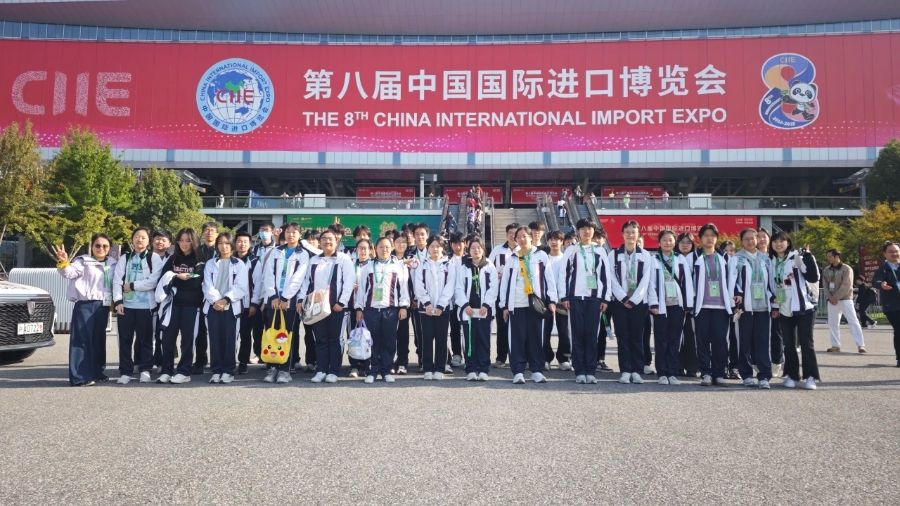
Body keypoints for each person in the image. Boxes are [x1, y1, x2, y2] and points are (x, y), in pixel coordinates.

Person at [55, 234, 116, 386]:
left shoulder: (113, 263)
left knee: (98, 340)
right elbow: (69, 273)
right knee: (81, 340)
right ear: (92, 246)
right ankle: (79, 377)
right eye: (97, 245)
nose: (101, 248)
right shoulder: (82, 261)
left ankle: (97, 372)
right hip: (85, 305)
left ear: (109, 248)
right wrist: (63, 262)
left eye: (105, 246)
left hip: (103, 305)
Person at [499, 226, 558, 384]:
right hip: (517, 304)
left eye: (525, 236)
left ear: (531, 237)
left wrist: (552, 300)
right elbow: (505, 283)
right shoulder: (513, 258)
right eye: (518, 237)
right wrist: (504, 306)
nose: (522, 239)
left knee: (536, 338)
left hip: (536, 304)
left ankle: (536, 370)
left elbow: (549, 279)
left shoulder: (541, 256)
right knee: (517, 339)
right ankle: (518, 371)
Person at [558, 220, 611, 384]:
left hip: (594, 299)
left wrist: (605, 298)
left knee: (591, 335)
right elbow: (563, 274)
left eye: (589, 229)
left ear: (593, 231)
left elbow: (606, 276)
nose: (586, 232)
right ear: (578, 232)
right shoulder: (571, 250)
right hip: (575, 298)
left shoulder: (600, 251)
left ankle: (591, 370)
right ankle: (579, 370)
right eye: (583, 229)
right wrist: (564, 297)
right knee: (577, 334)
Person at [301, 229, 355, 383]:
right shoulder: (314, 260)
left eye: (331, 239)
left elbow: (349, 282)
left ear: (336, 241)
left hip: (336, 307)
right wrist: (302, 300)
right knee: (320, 339)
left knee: (335, 339)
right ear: (320, 242)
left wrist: (341, 302)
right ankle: (321, 370)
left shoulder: (343, 259)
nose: (327, 241)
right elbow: (306, 282)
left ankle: (333, 371)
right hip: (318, 308)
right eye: (324, 239)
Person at [111, 227, 164, 384]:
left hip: (146, 307)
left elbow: (153, 281)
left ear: (148, 241)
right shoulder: (125, 258)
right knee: (125, 341)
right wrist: (118, 301)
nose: (139, 240)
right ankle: (125, 372)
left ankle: (145, 369)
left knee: (146, 340)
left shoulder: (154, 258)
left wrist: (133, 286)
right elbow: (117, 281)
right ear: (132, 239)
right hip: (126, 306)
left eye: (143, 237)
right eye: (136, 237)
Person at [261, 222, 311, 384]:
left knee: (287, 335)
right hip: (273, 300)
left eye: (294, 232)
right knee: (272, 333)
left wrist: (285, 298)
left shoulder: (303, 254)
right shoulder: (276, 251)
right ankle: (272, 368)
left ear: (299, 235)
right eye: (288, 232)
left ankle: (285, 369)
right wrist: (273, 296)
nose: (290, 234)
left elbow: (299, 278)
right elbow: (268, 275)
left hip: (290, 301)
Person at [356, 236, 410, 383]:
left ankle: (386, 370)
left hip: (390, 309)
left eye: (387, 247)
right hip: (371, 309)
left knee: (389, 341)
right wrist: (359, 308)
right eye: (381, 247)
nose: (384, 249)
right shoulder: (368, 267)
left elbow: (403, 288)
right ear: (375, 249)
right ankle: (372, 371)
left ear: (391, 248)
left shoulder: (398, 266)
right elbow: (362, 289)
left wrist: (403, 307)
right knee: (372, 341)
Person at [770, 232, 820, 389]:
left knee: (806, 343)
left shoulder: (796, 256)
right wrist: (775, 307)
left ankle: (810, 377)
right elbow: (773, 286)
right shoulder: (771, 261)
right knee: (789, 344)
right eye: (775, 241)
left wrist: (808, 257)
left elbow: (813, 277)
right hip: (784, 308)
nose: (778, 244)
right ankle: (791, 375)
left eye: (782, 241)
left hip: (804, 307)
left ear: (788, 243)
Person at [608, 221, 653, 385]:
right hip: (619, 303)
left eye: (633, 232)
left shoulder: (645, 255)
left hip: (639, 303)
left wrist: (634, 300)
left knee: (637, 337)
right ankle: (625, 370)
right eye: (627, 232)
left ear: (638, 234)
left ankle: (637, 370)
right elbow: (611, 278)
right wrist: (623, 298)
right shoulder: (613, 254)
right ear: (622, 234)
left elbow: (646, 280)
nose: (630, 235)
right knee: (623, 337)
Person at [729, 228, 775, 389]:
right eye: (746, 239)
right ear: (741, 241)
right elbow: (732, 281)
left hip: (763, 306)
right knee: (744, 342)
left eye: (753, 238)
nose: (750, 241)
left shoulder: (766, 259)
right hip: (745, 308)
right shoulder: (737, 259)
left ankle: (764, 376)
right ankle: (746, 375)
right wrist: (736, 297)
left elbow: (771, 282)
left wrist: (774, 301)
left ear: (757, 239)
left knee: (763, 342)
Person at [157, 228, 204, 384]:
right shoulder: (173, 258)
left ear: (193, 242)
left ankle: (184, 371)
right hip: (172, 305)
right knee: (168, 338)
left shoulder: (199, 259)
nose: (184, 244)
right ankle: (167, 370)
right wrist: (178, 276)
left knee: (187, 339)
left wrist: (174, 279)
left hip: (192, 306)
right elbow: (164, 278)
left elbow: (195, 282)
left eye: (188, 240)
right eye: (181, 240)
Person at [649, 229, 693, 386]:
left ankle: (672, 372)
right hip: (660, 306)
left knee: (675, 340)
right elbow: (651, 284)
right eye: (664, 240)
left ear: (675, 242)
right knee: (661, 340)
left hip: (677, 306)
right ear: (659, 242)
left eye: (670, 240)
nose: (667, 243)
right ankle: (662, 373)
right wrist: (653, 304)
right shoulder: (654, 259)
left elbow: (687, 283)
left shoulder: (680, 259)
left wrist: (687, 305)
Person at [202, 233, 248, 384]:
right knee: (214, 339)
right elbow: (207, 285)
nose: (224, 246)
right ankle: (216, 370)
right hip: (213, 306)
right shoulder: (210, 263)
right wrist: (216, 301)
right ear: (217, 246)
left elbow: (241, 286)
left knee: (230, 340)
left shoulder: (239, 264)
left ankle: (228, 371)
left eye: (227, 243)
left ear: (232, 245)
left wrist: (225, 300)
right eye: (221, 243)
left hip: (231, 307)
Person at [692, 224, 733, 387]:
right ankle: (706, 373)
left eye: (712, 235)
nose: (709, 238)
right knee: (702, 341)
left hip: (721, 307)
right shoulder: (695, 257)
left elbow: (732, 279)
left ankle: (719, 373)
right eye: (706, 235)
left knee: (720, 342)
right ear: (701, 238)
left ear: (717, 238)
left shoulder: (725, 258)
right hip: (702, 306)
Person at [455, 237, 498, 381]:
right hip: (468, 311)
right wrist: (465, 305)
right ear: (469, 250)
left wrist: (486, 305)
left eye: (478, 247)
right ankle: (471, 369)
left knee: (484, 340)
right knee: (469, 341)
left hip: (484, 311)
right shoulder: (464, 267)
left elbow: (493, 288)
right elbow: (458, 288)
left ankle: (483, 369)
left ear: (483, 249)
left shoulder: (489, 266)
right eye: (473, 248)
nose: (476, 250)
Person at [413, 235, 455, 380]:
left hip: (443, 309)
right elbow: (418, 285)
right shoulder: (422, 264)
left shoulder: (449, 265)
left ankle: (440, 368)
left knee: (441, 338)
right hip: (426, 309)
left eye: (438, 246)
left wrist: (441, 305)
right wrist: (427, 304)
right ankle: (427, 368)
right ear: (428, 248)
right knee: (427, 338)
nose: (435, 249)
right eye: (432, 246)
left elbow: (450, 286)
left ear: (442, 248)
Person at [822, 249, 867, 354]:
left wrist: (836, 297)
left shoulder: (847, 268)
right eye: (827, 256)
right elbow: (825, 285)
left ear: (837, 256)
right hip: (831, 300)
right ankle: (835, 345)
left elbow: (846, 284)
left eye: (830, 256)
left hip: (845, 299)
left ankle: (860, 345)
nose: (828, 258)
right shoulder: (826, 270)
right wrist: (829, 297)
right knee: (833, 323)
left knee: (853, 321)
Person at [488, 222, 519, 367]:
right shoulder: (497, 250)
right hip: (500, 292)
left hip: (518, 293)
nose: (513, 236)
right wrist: (496, 274)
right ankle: (501, 357)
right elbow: (488, 268)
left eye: (515, 233)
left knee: (518, 327)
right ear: (506, 235)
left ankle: (517, 357)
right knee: (501, 326)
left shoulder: (522, 251)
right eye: (510, 233)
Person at [234, 232, 263, 374]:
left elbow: (258, 284)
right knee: (231, 335)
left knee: (245, 336)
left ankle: (243, 362)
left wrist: (254, 304)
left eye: (245, 241)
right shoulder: (230, 259)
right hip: (232, 304)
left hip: (247, 305)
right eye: (239, 241)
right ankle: (229, 361)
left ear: (250, 244)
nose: (242, 244)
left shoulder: (255, 261)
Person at [756, 228, 784, 377]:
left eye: (764, 237)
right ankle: (760, 363)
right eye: (758, 237)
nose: (761, 239)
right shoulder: (753, 257)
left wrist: (776, 300)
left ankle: (777, 362)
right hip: (759, 302)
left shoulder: (775, 258)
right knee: (760, 335)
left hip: (777, 301)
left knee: (776, 333)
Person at [193, 221, 219, 374]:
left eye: (212, 230)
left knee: (217, 330)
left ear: (217, 233)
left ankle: (218, 361)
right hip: (198, 294)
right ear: (202, 233)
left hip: (217, 295)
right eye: (207, 230)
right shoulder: (196, 251)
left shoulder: (221, 250)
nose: (209, 232)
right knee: (200, 330)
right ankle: (200, 360)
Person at [544, 230, 572, 371]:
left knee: (564, 331)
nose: (554, 242)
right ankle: (546, 357)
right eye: (551, 239)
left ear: (562, 242)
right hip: (546, 300)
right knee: (545, 331)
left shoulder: (566, 259)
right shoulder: (543, 258)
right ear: (547, 241)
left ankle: (564, 358)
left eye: (557, 239)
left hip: (563, 300)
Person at [872, 241, 900, 367]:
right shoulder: (883, 269)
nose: (894, 254)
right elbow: (876, 281)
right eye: (891, 252)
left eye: (896, 251)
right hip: (892, 305)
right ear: (885, 254)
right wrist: (881, 284)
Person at [676, 232, 700, 377]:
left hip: (695, 304)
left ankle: (692, 367)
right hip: (676, 303)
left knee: (692, 337)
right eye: (682, 242)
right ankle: (678, 366)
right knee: (677, 337)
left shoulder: (698, 258)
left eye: (688, 242)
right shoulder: (674, 258)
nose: (685, 245)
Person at [348, 238, 373, 377]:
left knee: (367, 336)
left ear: (370, 250)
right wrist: (350, 286)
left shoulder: (373, 266)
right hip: (352, 305)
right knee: (353, 335)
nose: (362, 251)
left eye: (365, 248)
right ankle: (354, 366)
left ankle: (367, 365)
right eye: (360, 248)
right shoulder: (350, 265)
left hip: (369, 306)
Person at [149, 230, 172, 369]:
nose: (160, 242)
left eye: (164, 240)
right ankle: (141, 361)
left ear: (169, 243)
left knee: (162, 332)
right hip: (147, 298)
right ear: (152, 241)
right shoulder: (146, 257)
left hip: (166, 300)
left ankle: (160, 361)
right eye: (157, 239)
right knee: (146, 333)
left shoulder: (172, 259)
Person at [447, 232, 466, 370]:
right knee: (454, 328)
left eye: (460, 243)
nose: (458, 246)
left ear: (465, 244)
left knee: (467, 329)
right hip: (452, 300)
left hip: (467, 301)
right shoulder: (447, 260)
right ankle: (457, 354)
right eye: (455, 243)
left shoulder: (469, 259)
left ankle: (469, 355)